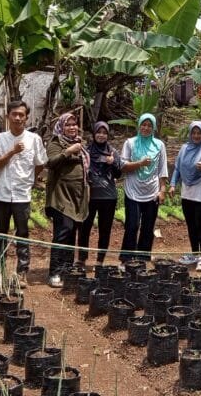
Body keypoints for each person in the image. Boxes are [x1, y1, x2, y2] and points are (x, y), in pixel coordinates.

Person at [0, 100, 47, 283]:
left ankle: (22, 272)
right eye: (14, 114)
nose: (18, 118)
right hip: (2, 194)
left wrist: (30, 180)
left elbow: (40, 164)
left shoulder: (34, 139)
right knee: (1, 233)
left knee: (22, 234)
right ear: (8, 116)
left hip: (22, 195)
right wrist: (11, 152)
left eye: (22, 114)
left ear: (26, 118)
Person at [45, 112, 90, 288]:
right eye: (68, 125)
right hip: (61, 197)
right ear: (61, 127)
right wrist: (68, 152)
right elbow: (50, 162)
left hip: (78, 197)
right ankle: (55, 272)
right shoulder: (56, 143)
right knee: (63, 232)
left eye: (74, 124)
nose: (72, 127)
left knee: (72, 234)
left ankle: (67, 269)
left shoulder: (82, 144)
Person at [169, 121, 201, 273]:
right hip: (187, 192)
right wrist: (172, 184)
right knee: (191, 224)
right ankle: (194, 253)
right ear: (190, 134)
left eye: (199, 133)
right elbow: (177, 167)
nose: (196, 136)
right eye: (193, 133)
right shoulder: (184, 149)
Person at [119, 113, 168, 265]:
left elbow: (162, 169)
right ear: (139, 125)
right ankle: (127, 258)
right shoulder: (130, 143)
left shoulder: (159, 145)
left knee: (148, 227)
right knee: (132, 225)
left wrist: (162, 190)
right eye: (143, 125)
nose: (146, 128)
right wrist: (139, 163)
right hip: (133, 191)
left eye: (149, 125)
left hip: (152, 192)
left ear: (153, 128)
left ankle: (142, 259)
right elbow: (123, 166)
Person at [77, 121, 124, 268]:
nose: (101, 135)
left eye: (104, 133)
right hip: (90, 196)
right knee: (84, 228)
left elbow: (118, 174)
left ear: (108, 135)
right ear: (94, 133)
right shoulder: (86, 150)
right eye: (99, 132)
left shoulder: (113, 152)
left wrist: (112, 163)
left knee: (105, 229)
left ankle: (100, 260)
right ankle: (82, 258)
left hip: (108, 197)